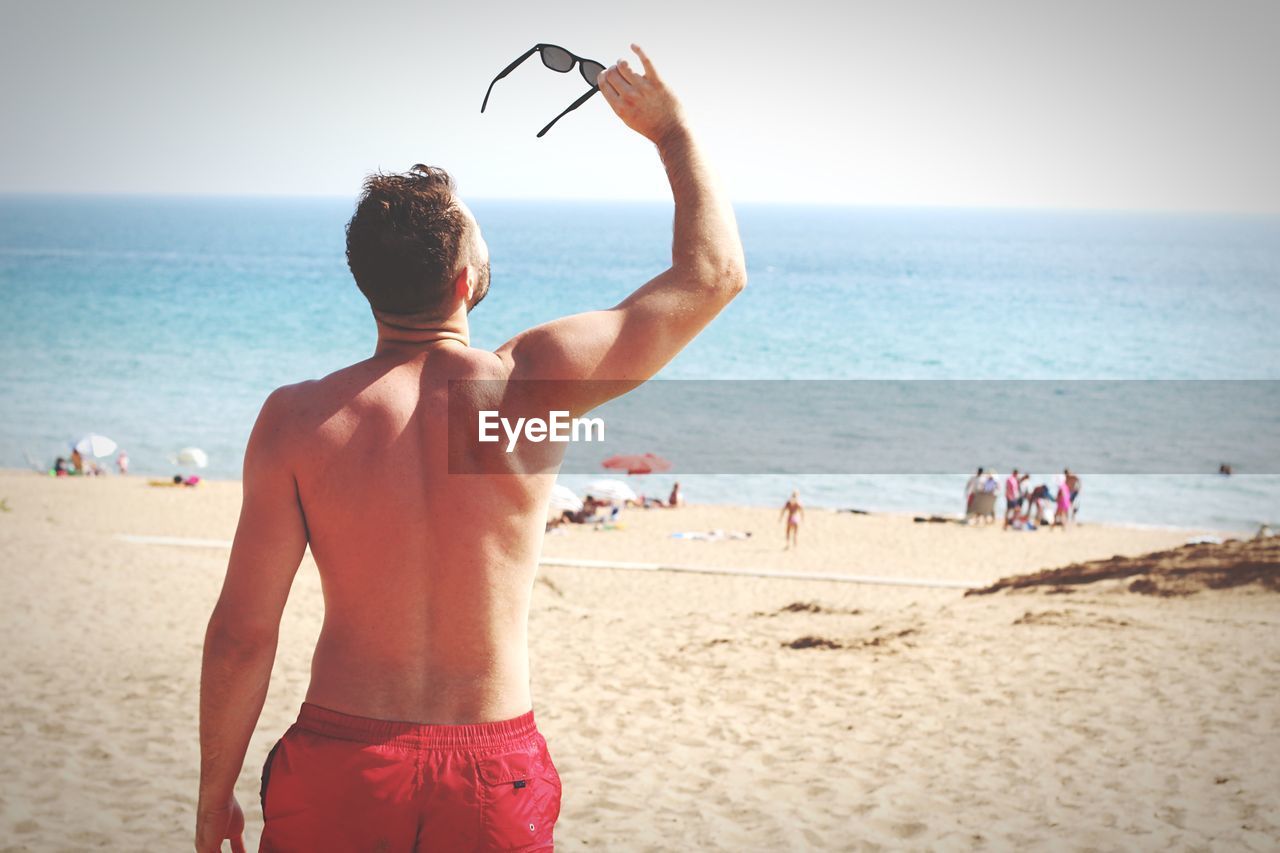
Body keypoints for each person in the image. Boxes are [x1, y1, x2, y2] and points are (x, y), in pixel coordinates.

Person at [195, 44, 745, 853]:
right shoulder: (531, 385)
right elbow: (713, 274)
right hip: (492, 775)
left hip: (342, 763)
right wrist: (673, 132)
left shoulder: (297, 421)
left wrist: (215, 796)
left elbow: (243, 633)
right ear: (464, 280)